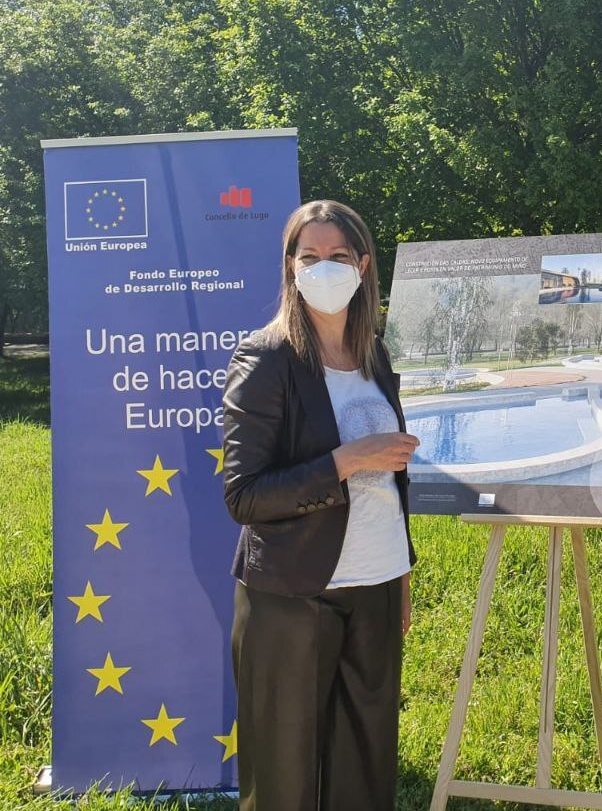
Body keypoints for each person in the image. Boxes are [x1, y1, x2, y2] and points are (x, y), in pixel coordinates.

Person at [221, 199, 421, 811]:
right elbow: (244, 495)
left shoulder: (375, 355)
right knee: (285, 779)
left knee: (365, 766)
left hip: (379, 585)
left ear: (363, 265)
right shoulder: (266, 359)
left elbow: (392, 485)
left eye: (338, 256)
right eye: (310, 256)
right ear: (290, 267)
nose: (324, 268)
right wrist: (347, 458)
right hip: (293, 593)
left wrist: (403, 573)